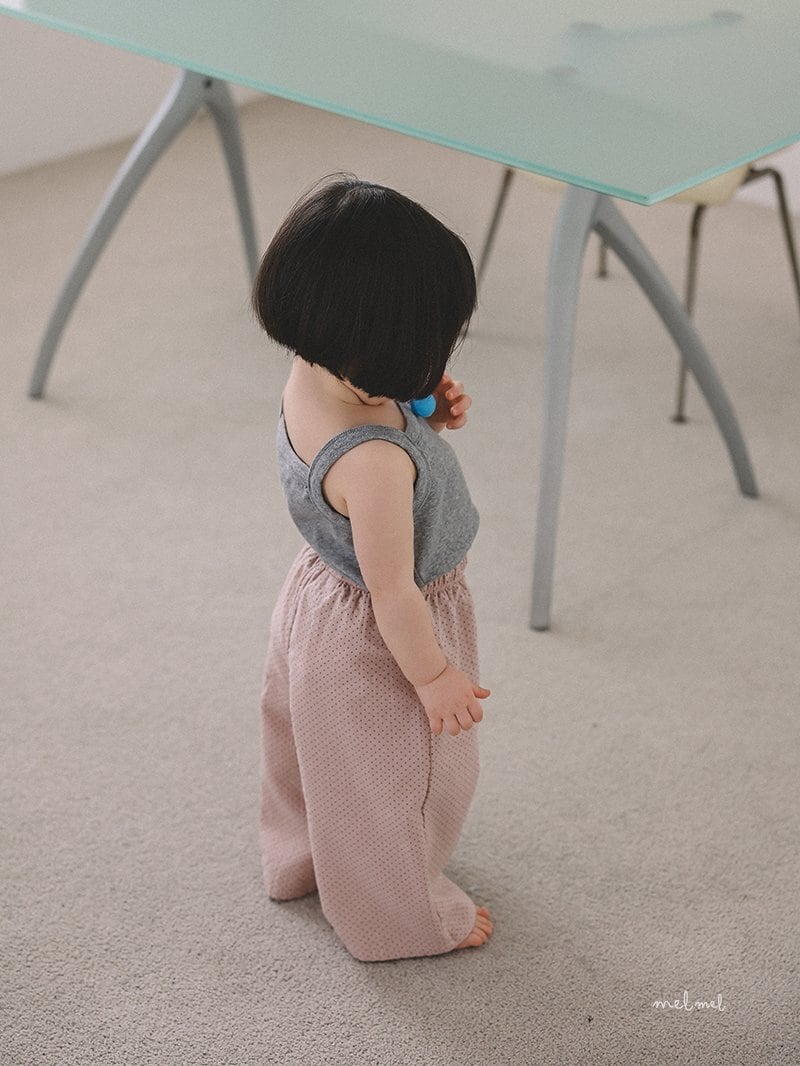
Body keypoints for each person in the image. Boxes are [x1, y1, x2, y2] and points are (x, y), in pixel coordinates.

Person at [253, 175, 492, 962]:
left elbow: (372, 421)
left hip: (317, 599)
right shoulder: (376, 464)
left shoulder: (315, 369)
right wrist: (433, 677)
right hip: (381, 637)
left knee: (313, 749)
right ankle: (403, 921)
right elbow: (394, 589)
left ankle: (299, 859)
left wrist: (424, 406)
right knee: (394, 781)